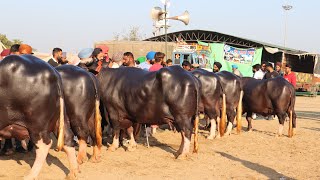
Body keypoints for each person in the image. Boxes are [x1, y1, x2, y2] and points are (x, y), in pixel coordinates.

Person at [149, 52, 165, 134]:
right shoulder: (162, 68)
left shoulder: (151, 67)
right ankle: (154, 128)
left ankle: (151, 128)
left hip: (151, 90)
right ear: (161, 59)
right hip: (159, 90)